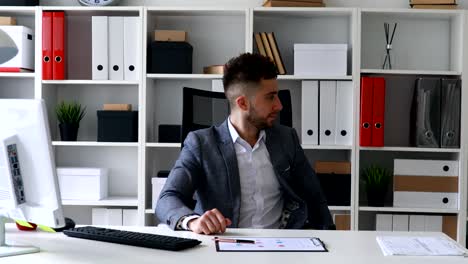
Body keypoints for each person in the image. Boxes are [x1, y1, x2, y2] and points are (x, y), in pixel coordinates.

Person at [155, 53, 334, 235]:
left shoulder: (287, 139)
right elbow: (167, 199)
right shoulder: (200, 143)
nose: (279, 105)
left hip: (280, 246)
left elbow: (315, 197)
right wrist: (192, 221)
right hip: (223, 245)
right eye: (270, 97)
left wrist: (331, 239)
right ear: (242, 103)